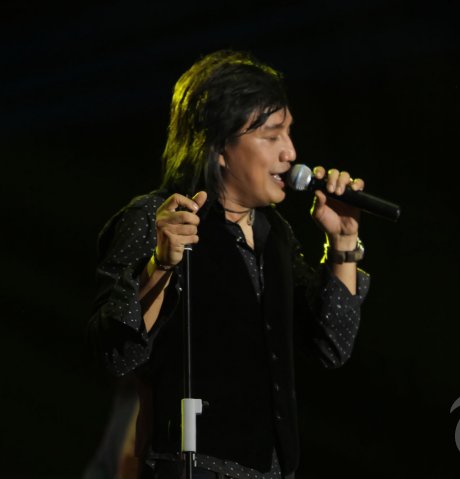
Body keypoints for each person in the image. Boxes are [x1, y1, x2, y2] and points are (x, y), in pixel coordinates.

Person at [88, 50, 369, 479]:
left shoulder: (275, 234)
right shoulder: (158, 218)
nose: (291, 152)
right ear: (219, 145)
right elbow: (117, 354)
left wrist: (343, 241)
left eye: (289, 132)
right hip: (192, 466)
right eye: (272, 136)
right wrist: (159, 265)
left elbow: (332, 344)